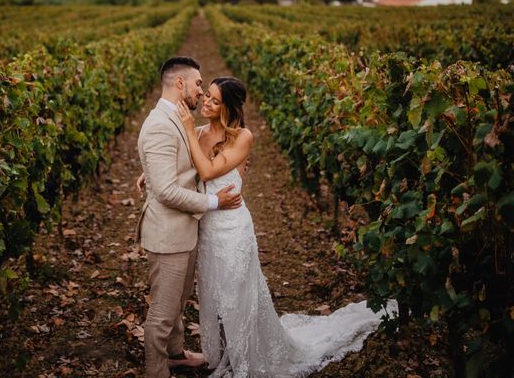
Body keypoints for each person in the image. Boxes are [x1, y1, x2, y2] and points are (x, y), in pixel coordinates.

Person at [172, 75, 398, 377]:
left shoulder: (243, 137)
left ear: (229, 107)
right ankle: (224, 354)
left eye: (215, 100)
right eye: (207, 97)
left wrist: (187, 130)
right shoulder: (198, 133)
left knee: (236, 297)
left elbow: (208, 169)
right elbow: (184, 167)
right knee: (215, 295)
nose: (206, 103)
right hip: (208, 228)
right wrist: (154, 174)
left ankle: (244, 362)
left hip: (233, 228)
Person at [136, 57, 242, 378]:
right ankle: (157, 371)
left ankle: (176, 353)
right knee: (162, 313)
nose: (201, 91)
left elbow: (191, 141)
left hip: (182, 231)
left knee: (178, 301)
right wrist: (213, 201)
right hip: (168, 235)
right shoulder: (158, 125)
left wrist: (149, 172)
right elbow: (167, 191)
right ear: (180, 83)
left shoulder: (175, 119)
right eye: (198, 84)